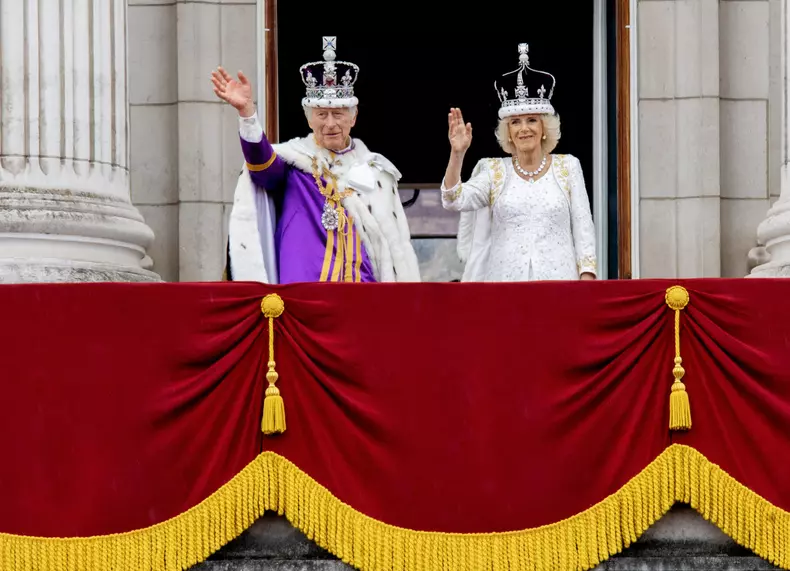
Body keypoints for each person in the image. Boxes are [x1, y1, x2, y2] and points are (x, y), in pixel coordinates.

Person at [212, 36, 420, 283]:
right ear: (309, 119)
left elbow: (393, 247)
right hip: (305, 297)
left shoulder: (376, 172)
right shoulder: (294, 163)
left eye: (338, 114)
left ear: (353, 118)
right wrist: (247, 115)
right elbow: (261, 166)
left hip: (364, 294)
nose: (330, 123)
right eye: (321, 114)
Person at [441, 43, 597, 282]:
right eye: (515, 122)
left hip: (560, 289)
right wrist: (457, 153)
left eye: (532, 120)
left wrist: (587, 283)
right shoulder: (494, 172)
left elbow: (584, 230)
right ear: (508, 132)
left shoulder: (568, 167)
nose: (524, 129)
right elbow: (453, 199)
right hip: (505, 290)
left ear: (544, 127)